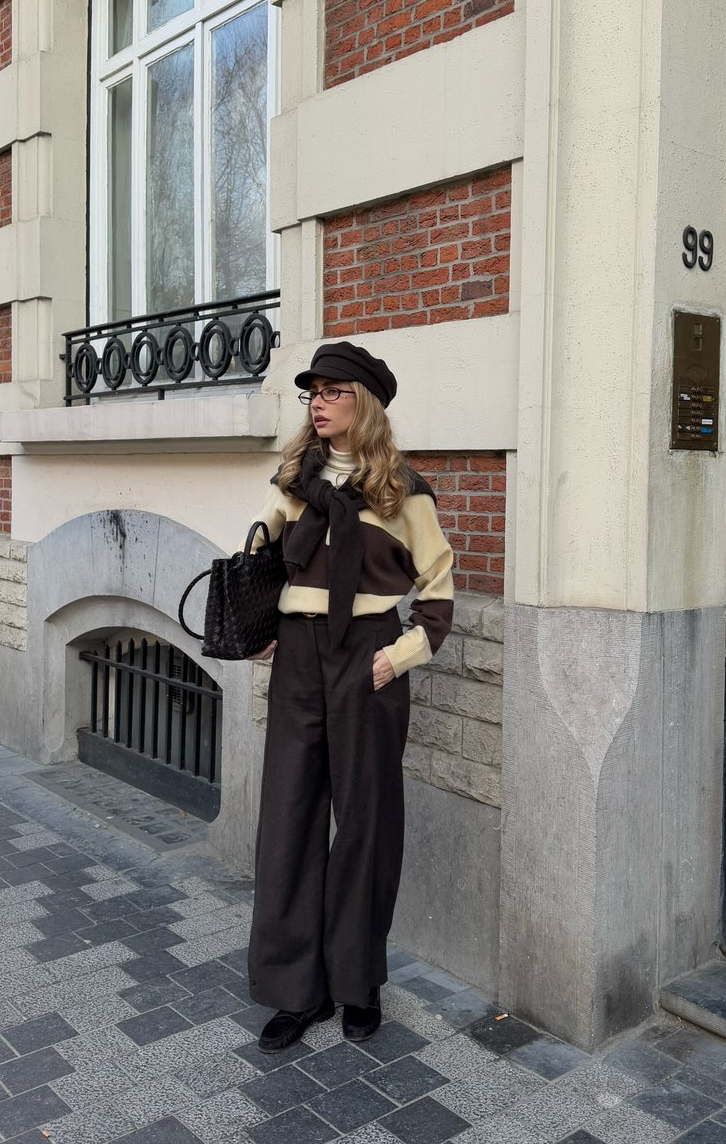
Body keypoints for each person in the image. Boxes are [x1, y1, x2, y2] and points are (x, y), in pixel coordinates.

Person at [246, 340, 454, 1052]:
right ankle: (294, 991)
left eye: (333, 391)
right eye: (313, 392)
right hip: (301, 657)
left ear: (362, 404)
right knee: (290, 819)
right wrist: (259, 619)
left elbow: (437, 597)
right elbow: (260, 559)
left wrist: (394, 661)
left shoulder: (403, 491)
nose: (318, 402)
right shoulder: (294, 480)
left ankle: (358, 984)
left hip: (366, 658)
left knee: (365, 825)